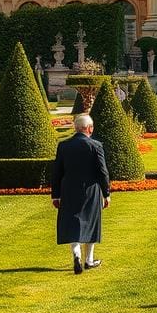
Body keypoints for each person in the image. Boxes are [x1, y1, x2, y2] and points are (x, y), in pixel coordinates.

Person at [51, 114, 111, 275]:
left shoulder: (63, 146)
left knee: (73, 222)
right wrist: (106, 193)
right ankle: (89, 260)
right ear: (89, 128)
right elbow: (102, 172)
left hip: (68, 189)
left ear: (76, 128)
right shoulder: (95, 145)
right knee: (91, 223)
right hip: (90, 190)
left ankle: (76, 253)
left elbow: (57, 172)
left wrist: (55, 195)